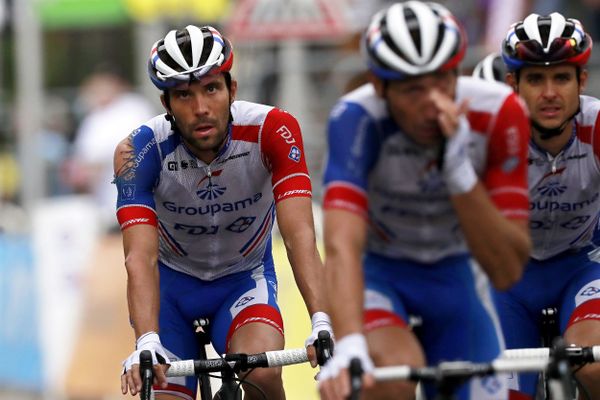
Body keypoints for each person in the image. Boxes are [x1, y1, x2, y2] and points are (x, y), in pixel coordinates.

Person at [318, 2, 532, 400]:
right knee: (389, 378)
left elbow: (506, 271)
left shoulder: (498, 110)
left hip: (457, 277)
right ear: (380, 87)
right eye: (414, 88)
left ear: (458, 73)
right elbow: (341, 244)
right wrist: (348, 344)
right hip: (382, 275)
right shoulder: (355, 118)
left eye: (441, 81)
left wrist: (459, 171)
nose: (432, 101)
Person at [114, 25, 332, 400]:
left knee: (263, 374)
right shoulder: (138, 152)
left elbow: (300, 236)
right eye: (183, 95)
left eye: (211, 89)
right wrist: (146, 340)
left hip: (242, 278)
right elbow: (139, 256)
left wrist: (323, 320)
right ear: (166, 104)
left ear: (232, 89)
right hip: (171, 288)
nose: (200, 108)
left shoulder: (273, 130)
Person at [493, 12, 600, 399]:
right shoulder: (488, 135)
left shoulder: (597, 125)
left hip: (583, 267)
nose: (549, 92)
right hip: (508, 282)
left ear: (581, 82)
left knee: (595, 363)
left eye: (561, 78)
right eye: (535, 79)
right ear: (513, 85)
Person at [65, 66, 156, 232]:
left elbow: (136, 145)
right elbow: (83, 160)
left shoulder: (133, 107)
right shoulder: (93, 119)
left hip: (141, 197)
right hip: (106, 203)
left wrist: (97, 163)